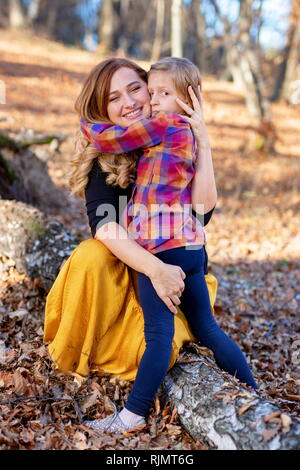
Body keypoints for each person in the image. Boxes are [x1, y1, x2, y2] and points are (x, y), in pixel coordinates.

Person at [78, 57, 258, 433]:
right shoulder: (169, 136)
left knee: (158, 336)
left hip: (162, 246)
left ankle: (132, 414)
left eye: (139, 89)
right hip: (185, 251)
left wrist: (205, 142)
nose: (134, 101)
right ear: (103, 105)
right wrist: (155, 270)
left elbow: (203, 209)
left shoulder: (163, 127)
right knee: (208, 329)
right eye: (114, 98)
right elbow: (106, 228)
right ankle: (254, 393)